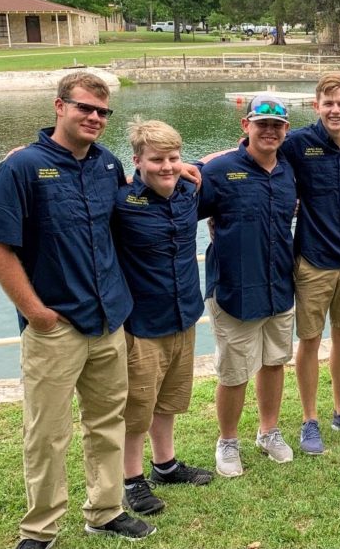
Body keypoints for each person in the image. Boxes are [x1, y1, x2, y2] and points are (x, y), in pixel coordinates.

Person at [0, 72, 155, 548]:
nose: (95, 118)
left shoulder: (107, 166)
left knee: (106, 422)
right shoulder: (23, 168)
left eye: (102, 112)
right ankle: (39, 529)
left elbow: (134, 211)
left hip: (107, 320)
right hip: (55, 326)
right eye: (85, 108)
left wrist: (190, 168)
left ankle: (105, 509)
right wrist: (35, 312)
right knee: (47, 433)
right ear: (60, 107)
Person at [113, 118, 212, 516]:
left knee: (169, 399)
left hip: (184, 313)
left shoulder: (190, 190)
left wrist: (191, 163)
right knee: (137, 408)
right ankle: (131, 480)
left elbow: (225, 158)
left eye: (173, 158)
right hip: (142, 321)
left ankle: (165, 465)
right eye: (157, 159)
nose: (167, 166)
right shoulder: (119, 201)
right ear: (137, 161)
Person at [280, 73, 340, 455]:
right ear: (316, 105)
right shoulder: (297, 145)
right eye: (328, 103)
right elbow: (251, 153)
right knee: (309, 340)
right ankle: (309, 420)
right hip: (314, 259)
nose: (335, 110)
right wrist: (194, 166)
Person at [200, 95, 298, 475]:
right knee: (234, 372)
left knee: (274, 362)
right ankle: (227, 441)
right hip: (234, 289)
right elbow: (179, 205)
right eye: (262, 124)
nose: (270, 132)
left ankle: (268, 432)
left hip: (279, 285)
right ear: (246, 126)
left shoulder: (289, 170)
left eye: (277, 126)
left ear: (286, 130)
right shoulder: (220, 170)